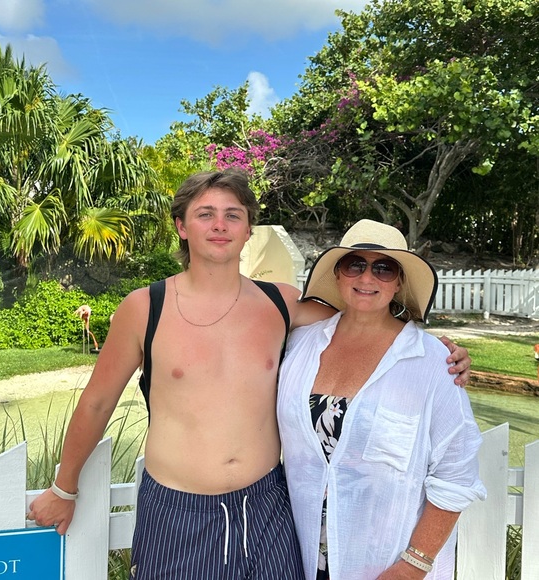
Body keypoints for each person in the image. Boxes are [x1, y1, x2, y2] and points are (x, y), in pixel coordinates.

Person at [27, 172, 471, 579]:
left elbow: (368, 321)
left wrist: (438, 352)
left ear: (248, 230)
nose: (220, 225)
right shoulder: (145, 307)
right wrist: (64, 489)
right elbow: (98, 401)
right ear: (182, 226)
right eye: (205, 214)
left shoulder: (283, 303)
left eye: (233, 215)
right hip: (178, 511)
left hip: (267, 507)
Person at [277, 219, 486, 580]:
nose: (367, 277)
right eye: (354, 264)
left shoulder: (432, 362)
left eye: (384, 268)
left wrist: (413, 566)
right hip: (297, 558)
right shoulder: (300, 345)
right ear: (338, 274)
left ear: (399, 281)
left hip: (384, 563)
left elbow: (456, 474)